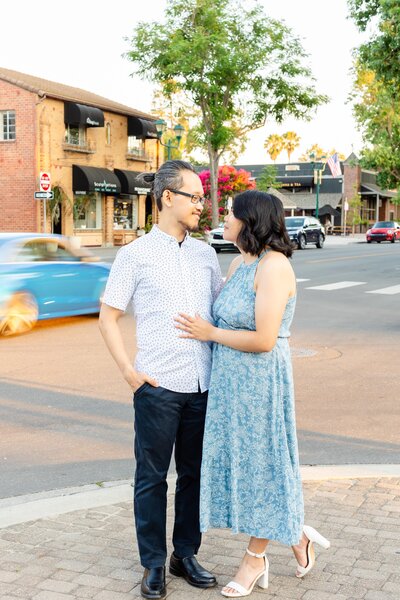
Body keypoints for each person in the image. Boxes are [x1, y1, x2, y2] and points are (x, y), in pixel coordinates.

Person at [174, 190, 330, 598]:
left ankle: (255, 559)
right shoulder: (241, 262)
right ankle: (296, 536)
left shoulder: (275, 267)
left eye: (230, 214)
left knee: (264, 465)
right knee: (248, 465)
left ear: (251, 221)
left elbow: (264, 338)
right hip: (230, 384)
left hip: (260, 382)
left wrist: (210, 333)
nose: (223, 219)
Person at [99, 160, 222, 600]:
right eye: (194, 196)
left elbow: (219, 313)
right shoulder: (134, 255)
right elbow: (108, 317)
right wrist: (130, 373)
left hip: (202, 384)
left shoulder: (206, 253)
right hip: (157, 386)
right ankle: (153, 563)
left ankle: (184, 553)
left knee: (194, 474)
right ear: (168, 197)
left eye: (202, 197)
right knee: (152, 478)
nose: (201, 205)